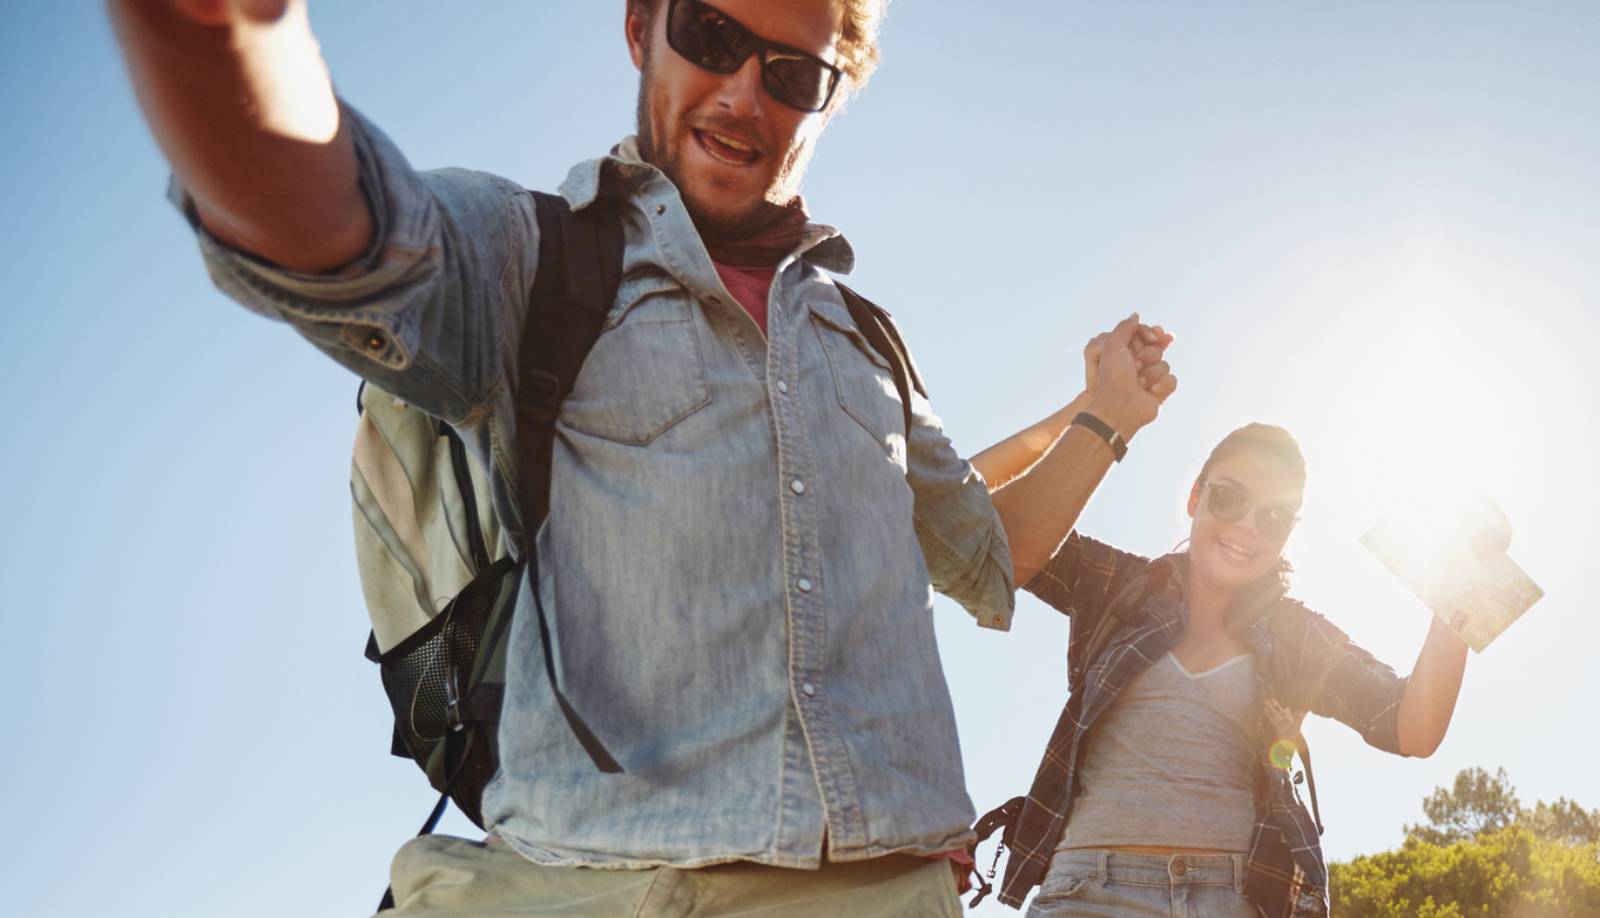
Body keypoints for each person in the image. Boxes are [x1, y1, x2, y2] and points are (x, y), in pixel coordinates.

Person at [109, 1, 1178, 914]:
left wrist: (1105, 418)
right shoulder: (529, 256)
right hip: (599, 882)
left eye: (794, 72)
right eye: (709, 34)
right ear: (640, 27)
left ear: (831, 96)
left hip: (889, 889)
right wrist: (226, 37)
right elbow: (339, 228)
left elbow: (988, 557)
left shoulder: (869, 345)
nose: (741, 96)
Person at [970, 400, 1509, 916]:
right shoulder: (1113, 584)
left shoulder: (1298, 634)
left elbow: (1412, 728)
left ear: (1290, 533)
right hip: (1088, 893)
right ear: (1194, 497)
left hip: (1234, 897)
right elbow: (968, 517)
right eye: (1229, 499)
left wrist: (1463, 590)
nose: (1248, 526)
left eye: (1274, 517)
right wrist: (1095, 408)